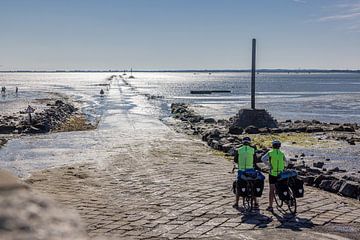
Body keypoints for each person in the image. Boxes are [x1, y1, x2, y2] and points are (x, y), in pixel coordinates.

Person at [261, 140, 288, 212]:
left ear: (272, 146)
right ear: (279, 146)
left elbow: (263, 159)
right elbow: (286, 162)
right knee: (284, 186)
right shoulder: (282, 153)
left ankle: (270, 206)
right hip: (281, 173)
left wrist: (269, 165)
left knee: (271, 190)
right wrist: (284, 167)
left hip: (273, 173)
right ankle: (287, 199)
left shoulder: (270, 152)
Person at [233, 136, 259, 209]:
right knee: (253, 185)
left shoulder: (239, 150)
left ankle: (236, 203)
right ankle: (256, 202)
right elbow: (255, 160)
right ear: (249, 143)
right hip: (250, 170)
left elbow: (235, 160)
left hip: (241, 170)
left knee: (238, 185)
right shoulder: (252, 150)